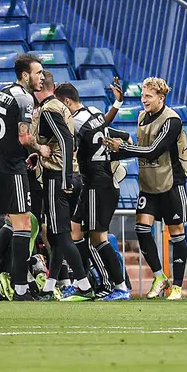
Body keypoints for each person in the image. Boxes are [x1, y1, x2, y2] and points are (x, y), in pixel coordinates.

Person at [106, 77, 187, 301]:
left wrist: (124, 147)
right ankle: (159, 276)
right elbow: (140, 146)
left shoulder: (172, 120)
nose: (143, 100)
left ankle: (176, 286)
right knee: (142, 229)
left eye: (148, 96)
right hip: (149, 183)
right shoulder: (142, 117)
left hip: (172, 182)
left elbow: (154, 150)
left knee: (176, 233)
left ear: (161, 98)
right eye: (142, 96)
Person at [0, 54, 49, 301]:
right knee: (24, 226)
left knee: (11, 223)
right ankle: (21, 289)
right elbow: (23, 137)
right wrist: (41, 149)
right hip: (11, 168)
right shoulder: (25, 98)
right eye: (38, 72)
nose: (42, 77)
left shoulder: (2, 92)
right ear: (25, 75)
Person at [56, 82, 131, 301]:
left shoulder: (75, 121)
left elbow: (67, 144)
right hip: (94, 182)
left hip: (98, 183)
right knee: (75, 229)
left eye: (60, 106)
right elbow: (104, 126)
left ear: (67, 102)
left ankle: (119, 286)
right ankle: (84, 283)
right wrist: (117, 103)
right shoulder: (94, 112)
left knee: (98, 237)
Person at [31, 71, 94, 299]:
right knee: (58, 236)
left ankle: (84, 286)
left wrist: (65, 177)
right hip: (71, 175)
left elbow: (67, 140)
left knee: (62, 235)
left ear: (38, 88)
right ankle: (49, 287)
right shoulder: (62, 107)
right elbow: (68, 139)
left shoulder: (48, 110)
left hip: (59, 178)